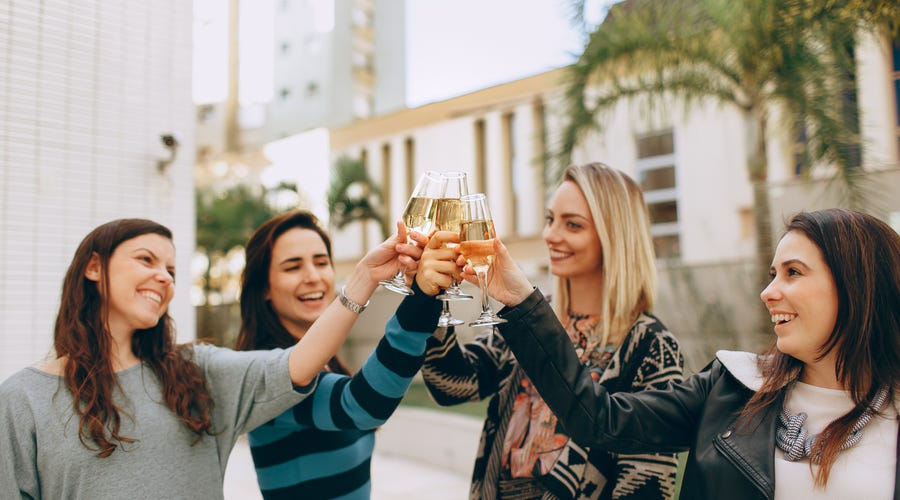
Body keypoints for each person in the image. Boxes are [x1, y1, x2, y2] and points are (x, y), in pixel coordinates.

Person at [478, 208, 900, 499]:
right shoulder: (733, 387)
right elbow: (598, 418)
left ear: (856, 285)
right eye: (773, 275)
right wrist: (520, 298)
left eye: (793, 273)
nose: (768, 293)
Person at [0, 217, 421, 499]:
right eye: (146, 259)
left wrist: (366, 278)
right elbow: (361, 402)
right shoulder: (22, 399)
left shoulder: (196, 373)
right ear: (94, 267)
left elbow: (295, 363)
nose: (163, 276)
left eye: (171, 269)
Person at [416, 163, 685, 499]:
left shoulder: (650, 347)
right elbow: (452, 385)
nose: (551, 235)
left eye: (572, 224)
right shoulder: (531, 320)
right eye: (550, 219)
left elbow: (646, 488)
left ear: (615, 235)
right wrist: (427, 296)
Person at [233, 210, 443, 499]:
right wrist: (419, 301)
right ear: (265, 288)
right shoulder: (268, 373)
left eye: (321, 262)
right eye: (292, 267)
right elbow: (363, 406)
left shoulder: (325, 361)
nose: (313, 277)